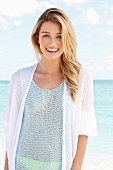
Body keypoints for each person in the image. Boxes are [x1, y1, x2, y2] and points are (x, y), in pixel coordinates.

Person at [4, 8, 97, 170]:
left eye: (59, 36)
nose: (52, 43)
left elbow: (84, 129)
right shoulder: (19, 78)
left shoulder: (81, 76)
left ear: (67, 39)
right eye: (46, 35)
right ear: (37, 39)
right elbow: (11, 130)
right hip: (21, 164)